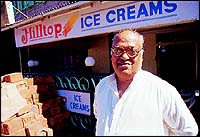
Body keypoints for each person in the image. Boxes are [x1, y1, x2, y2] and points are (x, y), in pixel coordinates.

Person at [93, 29, 199, 136]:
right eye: (118, 50)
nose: (124, 57)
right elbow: (100, 119)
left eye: (131, 51)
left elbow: (188, 131)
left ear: (142, 55)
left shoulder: (161, 90)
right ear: (112, 54)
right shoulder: (102, 86)